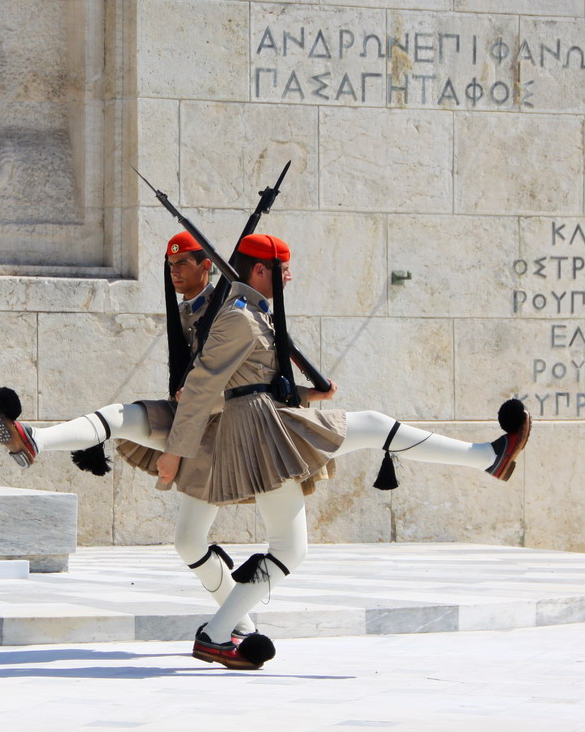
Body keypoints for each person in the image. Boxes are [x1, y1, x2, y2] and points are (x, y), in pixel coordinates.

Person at [155, 233, 532, 671]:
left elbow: (250, 380)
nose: (290, 276)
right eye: (284, 268)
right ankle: (217, 636)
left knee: (370, 427)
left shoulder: (253, 312)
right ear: (260, 270)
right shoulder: (238, 316)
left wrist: (308, 395)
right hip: (259, 432)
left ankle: (489, 456)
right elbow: (203, 384)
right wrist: (175, 452)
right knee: (290, 547)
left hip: (266, 419)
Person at [0, 231, 257, 640]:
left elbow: (247, 380)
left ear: (208, 267)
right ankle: (34, 439)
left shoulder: (234, 314)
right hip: (191, 422)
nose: (175, 272)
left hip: (225, 431)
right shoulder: (192, 311)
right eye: (170, 266)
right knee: (186, 538)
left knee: (212, 541)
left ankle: (240, 626)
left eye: (183, 264)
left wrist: (205, 395)